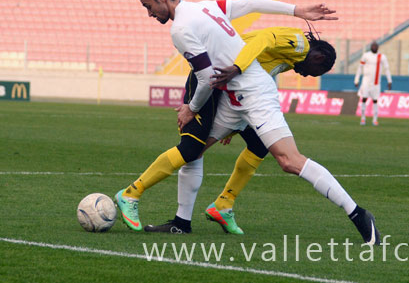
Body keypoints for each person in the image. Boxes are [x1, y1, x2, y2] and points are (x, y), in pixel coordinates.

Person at [116, 0, 381, 245]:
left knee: (289, 160)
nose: (149, 13)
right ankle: (175, 217)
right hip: (234, 93)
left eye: (148, 6)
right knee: (193, 151)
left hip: (252, 91)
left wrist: (190, 108)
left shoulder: (182, 27)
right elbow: (252, 8)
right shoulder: (205, 7)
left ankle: (358, 214)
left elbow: (210, 75)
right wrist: (295, 10)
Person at [144, 25, 336, 235]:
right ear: (318, 58)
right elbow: (262, 39)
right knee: (193, 148)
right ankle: (133, 195)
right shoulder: (298, 44)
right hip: (216, 75)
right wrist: (236, 70)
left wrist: (236, 122)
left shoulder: (291, 59)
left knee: (258, 145)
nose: (307, 75)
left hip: (229, 87)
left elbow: (255, 75)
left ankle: (221, 205)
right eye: (314, 73)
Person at [354, 41, 392, 126]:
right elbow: (360, 68)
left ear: (378, 47)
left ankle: (375, 119)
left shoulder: (382, 57)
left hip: (376, 83)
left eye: (375, 46)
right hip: (366, 81)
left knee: (375, 100)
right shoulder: (365, 55)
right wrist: (356, 80)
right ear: (371, 47)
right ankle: (363, 118)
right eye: (373, 46)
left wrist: (389, 81)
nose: (374, 47)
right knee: (364, 99)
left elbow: (387, 69)